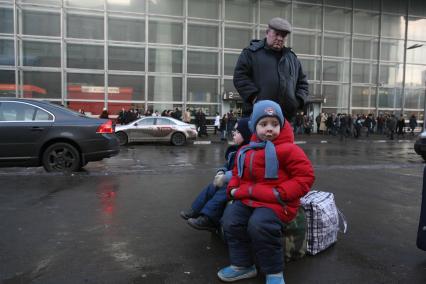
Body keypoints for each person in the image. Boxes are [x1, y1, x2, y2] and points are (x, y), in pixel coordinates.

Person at [218, 100, 314, 284]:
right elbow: (238, 173)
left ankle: (274, 272)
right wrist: (232, 190)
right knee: (230, 219)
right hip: (249, 198)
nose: (269, 129)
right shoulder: (246, 150)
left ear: (281, 125)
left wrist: (281, 193)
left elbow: (305, 177)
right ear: (254, 127)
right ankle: (243, 265)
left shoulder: (289, 149)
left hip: (278, 202)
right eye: (263, 124)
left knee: (260, 224)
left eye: (274, 124)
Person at [180, 118, 252, 231]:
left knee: (223, 191)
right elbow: (227, 165)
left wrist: (224, 177)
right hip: (231, 179)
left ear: (247, 135)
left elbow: (240, 172)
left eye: (238, 132)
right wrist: (221, 171)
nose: (234, 133)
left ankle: (208, 218)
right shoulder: (235, 151)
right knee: (211, 187)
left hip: (239, 183)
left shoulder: (248, 153)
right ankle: (195, 210)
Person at [233, 17, 309, 120]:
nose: (280, 38)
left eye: (283, 35)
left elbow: (303, 84)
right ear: (267, 32)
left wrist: (297, 102)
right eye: (277, 34)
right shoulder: (251, 53)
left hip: (285, 118)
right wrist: (255, 98)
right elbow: (240, 77)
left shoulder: (292, 58)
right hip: (257, 117)